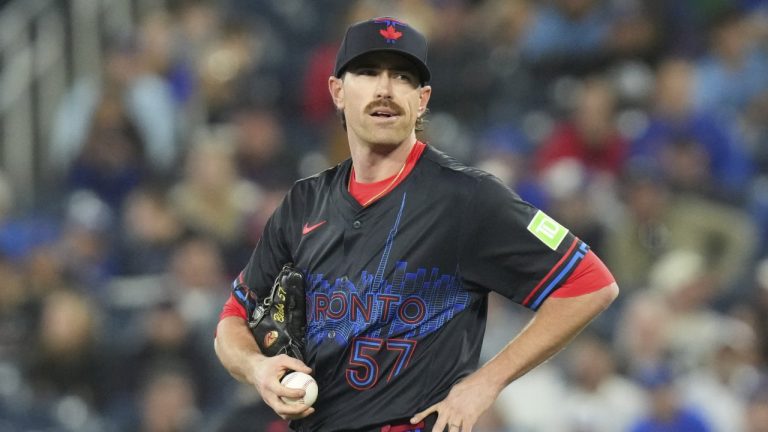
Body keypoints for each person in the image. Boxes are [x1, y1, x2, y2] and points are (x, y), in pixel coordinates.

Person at [214, 17, 619, 431]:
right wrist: (256, 369)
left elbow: (589, 284)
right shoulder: (303, 202)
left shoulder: (466, 198)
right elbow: (233, 318)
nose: (386, 89)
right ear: (337, 91)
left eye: (402, 77)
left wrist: (486, 382)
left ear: (422, 99)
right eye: (369, 72)